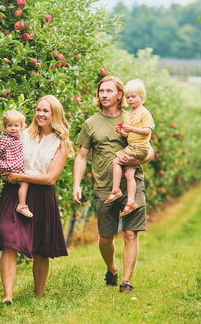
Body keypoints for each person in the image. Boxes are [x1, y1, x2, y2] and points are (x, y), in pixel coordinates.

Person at [72, 76, 153, 294]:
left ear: (120, 95)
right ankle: (112, 269)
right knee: (106, 237)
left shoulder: (133, 115)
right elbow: (81, 156)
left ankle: (126, 281)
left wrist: (139, 160)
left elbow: (149, 149)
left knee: (130, 233)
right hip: (104, 186)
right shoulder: (91, 123)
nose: (104, 94)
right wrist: (76, 184)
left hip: (132, 182)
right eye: (101, 91)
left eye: (109, 91)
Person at [0, 95, 73, 304]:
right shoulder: (23, 134)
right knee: (7, 237)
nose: (40, 114)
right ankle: (8, 295)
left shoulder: (61, 142)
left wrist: (22, 177)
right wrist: (2, 167)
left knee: (41, 247)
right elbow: (5, 153)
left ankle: (38, 295)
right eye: (38, 110)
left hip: (41, 194)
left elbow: (50, 178)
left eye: (45, 111)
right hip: (14, 191)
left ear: (55, 114)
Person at [104, 79, 155, 217]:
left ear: (142, 98)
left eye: (134, 97)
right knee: (129, 174)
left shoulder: (144, 113)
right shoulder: (127, 114)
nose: (130, 100)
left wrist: (132, 129)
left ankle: (115, 190)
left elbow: (147, 132)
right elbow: (128, 136)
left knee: (116, 161)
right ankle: (131, 202)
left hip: (140, 147)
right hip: (133, 145)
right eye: (128, 98)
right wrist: (122, 132)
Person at [0, 109, 32, 218]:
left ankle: (21, 204)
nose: (13, 128)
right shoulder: (5, 139)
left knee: (24, 182)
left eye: (16, 126)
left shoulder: (19, 137)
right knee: (24, 182)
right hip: (10, 165)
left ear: (21, 127)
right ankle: (22, 205)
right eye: (9, 125)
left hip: (14, 164)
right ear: (4, 127)